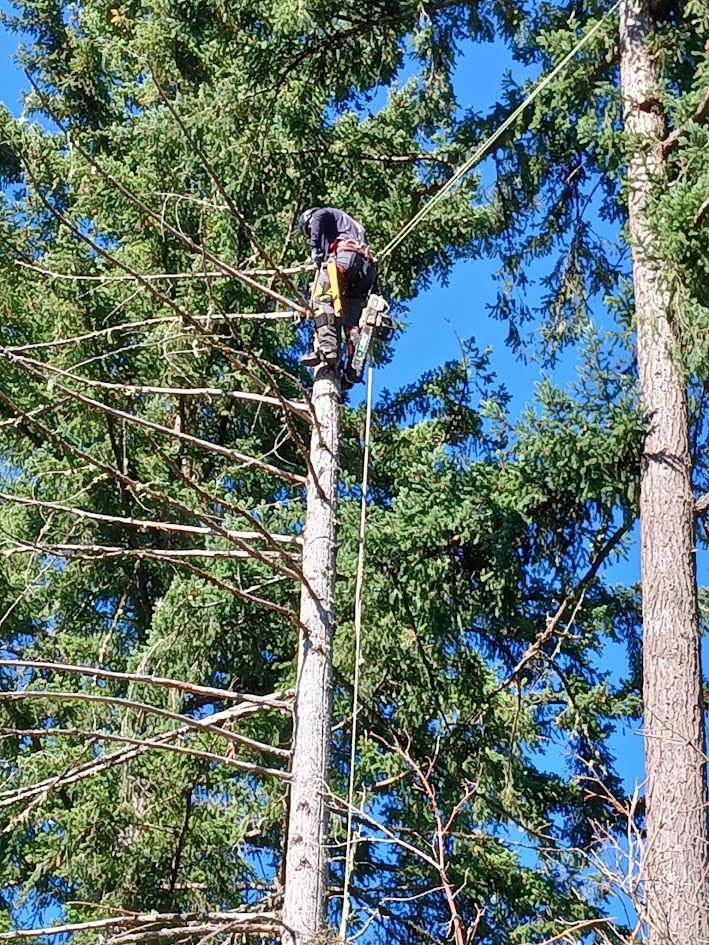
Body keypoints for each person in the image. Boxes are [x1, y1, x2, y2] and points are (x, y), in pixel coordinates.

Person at [298, 207, 377, 375]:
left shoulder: (322, 214)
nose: (312, 232)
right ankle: (353, 357)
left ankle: (327, 347)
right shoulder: (352, 226)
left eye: (309, 230)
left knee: (321, 298)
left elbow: (318, 219)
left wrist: (315, 248)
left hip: (345, 258)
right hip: (365, 270)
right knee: (348, 318)